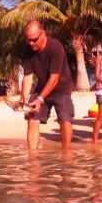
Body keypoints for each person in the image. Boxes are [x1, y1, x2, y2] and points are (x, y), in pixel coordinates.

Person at [21, 20, 74, 149]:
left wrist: (40, 99)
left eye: (34, 40)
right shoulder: (28, 51)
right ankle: (32, 160)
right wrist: (23, 98)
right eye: (28, 40)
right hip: (41, 87)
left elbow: (54, 78)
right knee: (32, 121)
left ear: (43, 33)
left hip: (61, 88)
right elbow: (28, 77)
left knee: (65, 120)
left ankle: (66, 155)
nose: (31, 43)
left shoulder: (56, 47)